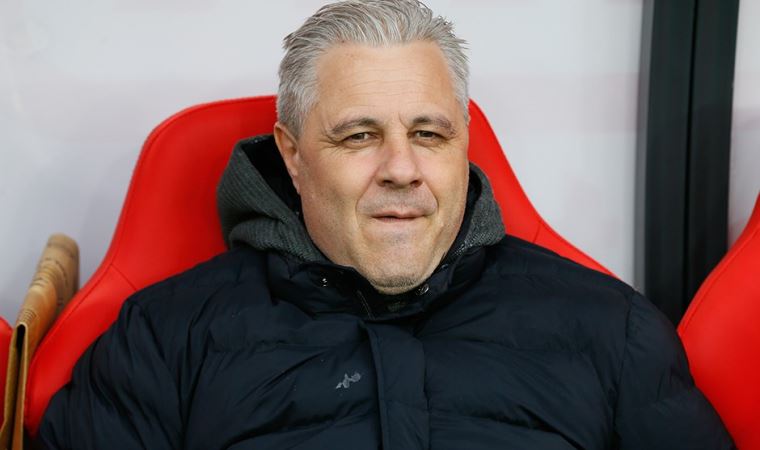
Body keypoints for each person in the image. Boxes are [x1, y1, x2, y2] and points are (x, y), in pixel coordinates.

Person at [38, 1, 734, 449]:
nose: (402, 168)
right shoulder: (164, 339)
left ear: (463, 144)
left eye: (429, 134)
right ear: (292, 155)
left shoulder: (611, 330)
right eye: (359, 136)